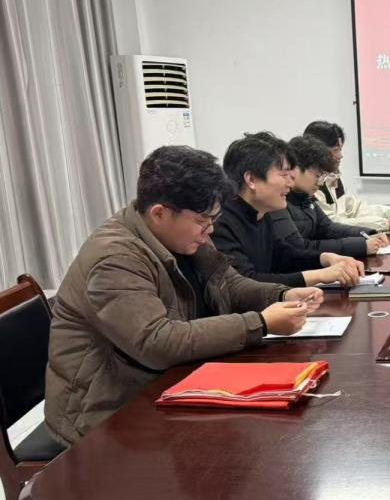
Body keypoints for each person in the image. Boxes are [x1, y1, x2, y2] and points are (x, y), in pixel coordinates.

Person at [46, 146, 325, 446]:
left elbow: (230, 284)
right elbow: (157, 342)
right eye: (203, 221)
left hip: (167, 383)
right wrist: (261, 323)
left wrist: (281, 295)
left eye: (213, 219)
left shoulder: (182, 235)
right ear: (159, 213)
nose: (209, 230)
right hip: (107, 415)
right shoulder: (115, 258)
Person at [212, 132, 363, 287]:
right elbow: (247, 283)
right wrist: (319, 275)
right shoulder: (219, 222)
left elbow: (285, 255)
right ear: (251, 180)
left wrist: (326, 258)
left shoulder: (262, 213)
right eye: (284, 175)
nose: (290, 184)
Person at [269, 135, 390, 257]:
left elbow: (328, 228)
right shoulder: (278, 203)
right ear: (296, 169)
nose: (321, 183)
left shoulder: (305, 198)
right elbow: (300, 246)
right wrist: (361, 245)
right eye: (317, 176)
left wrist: (368, 233)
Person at [303, 121, 390, 233]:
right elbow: (332, 223)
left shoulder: (332, 178)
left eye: (340, 149)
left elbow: (354, 209)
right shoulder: (311, 185)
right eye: (335, 150)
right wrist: (383, 224)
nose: (340, 156)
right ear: (317, 151)